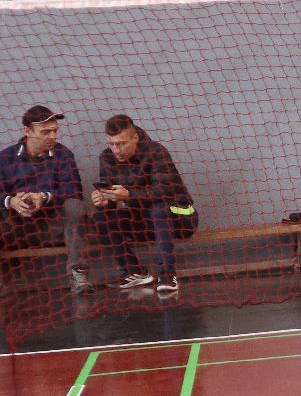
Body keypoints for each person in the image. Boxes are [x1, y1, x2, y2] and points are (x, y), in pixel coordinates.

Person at [91, 115, 200, 295]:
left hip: (180, 219)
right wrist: (105, 201)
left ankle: (168, 275)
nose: (116, 150)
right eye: (112, 144)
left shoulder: (156, 152)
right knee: (100, 219)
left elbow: (165, 191)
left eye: (121, 144)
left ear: (135, 138)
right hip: (144, 222)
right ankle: (134, 271)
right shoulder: (106, 158)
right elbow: (111, 200)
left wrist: (129, 194)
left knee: (158, 209)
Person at [0, 105, 90, 291]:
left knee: (75, 205)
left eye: (55, 130)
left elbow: (75, 190)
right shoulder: (5, 158)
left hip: (54, 228)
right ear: (27, 131)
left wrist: (44, 196)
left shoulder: (63, 154)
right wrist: (12, 201)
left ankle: (78, 274)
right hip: (16, 229)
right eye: (45, 132)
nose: (53, 136)